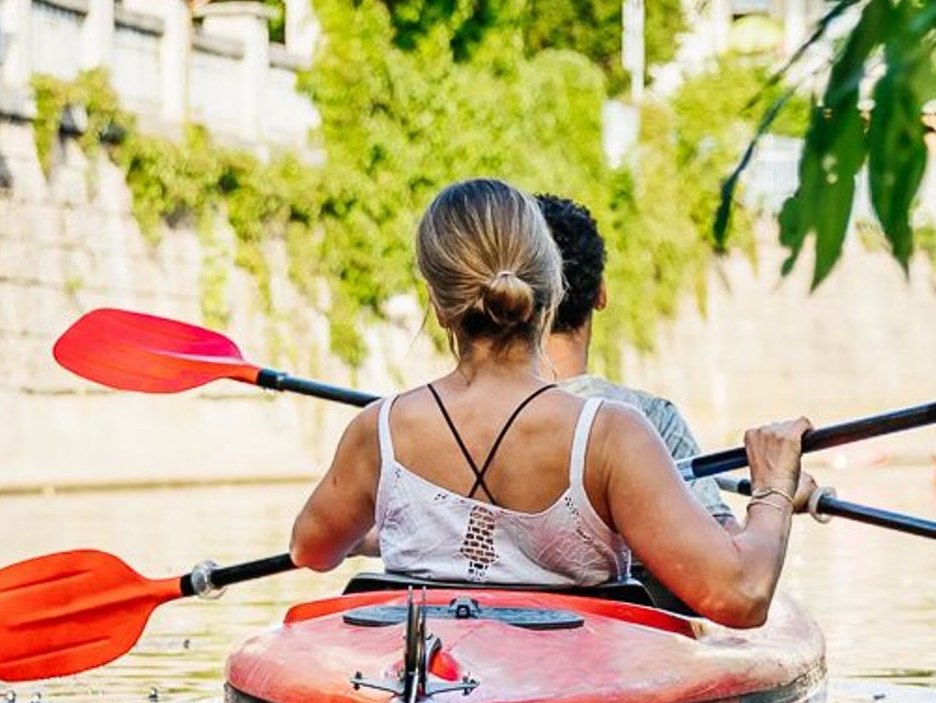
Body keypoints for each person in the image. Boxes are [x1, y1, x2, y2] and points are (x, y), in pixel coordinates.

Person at [290, 177, 812, 627]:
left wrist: (380, 526)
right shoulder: (612, 435)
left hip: (424, 682)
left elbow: (310, 550)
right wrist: (773, 490)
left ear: (438, 304)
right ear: (553, 289)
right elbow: (741, 597)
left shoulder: (378, 429)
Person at [536, 193, 732, 524]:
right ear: (601, 293)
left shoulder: (464, 422)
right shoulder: (651, 420)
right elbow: (736, 567)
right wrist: (777, 491)